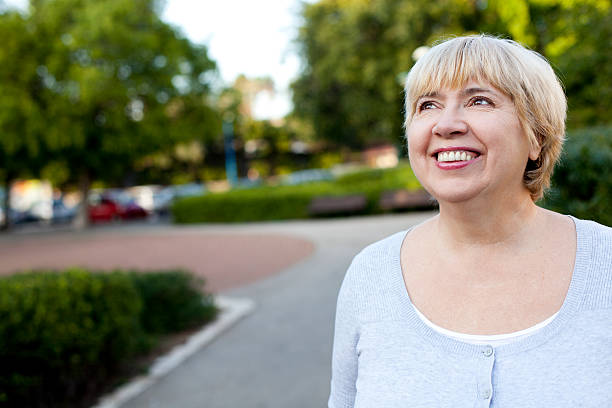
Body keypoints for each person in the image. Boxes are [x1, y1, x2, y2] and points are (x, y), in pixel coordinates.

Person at [328, 34, 612, 408]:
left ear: (537, 138)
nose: (445, 125)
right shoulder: (370, 274)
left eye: (479, 100)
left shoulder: (605, 264)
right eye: (427, 105)